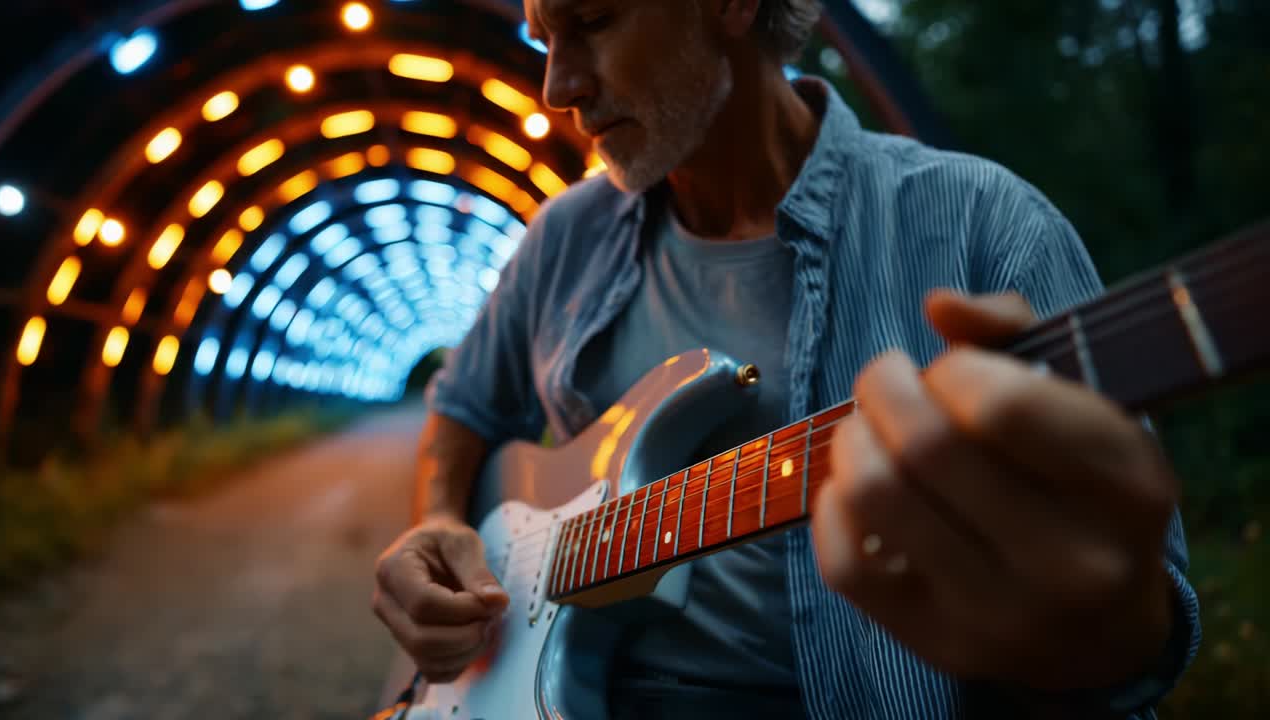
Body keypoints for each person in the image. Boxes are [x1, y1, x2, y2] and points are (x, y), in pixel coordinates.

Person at [371, 0, 1200, 717]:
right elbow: (464, 405)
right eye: (545, 35)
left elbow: (1139, 629)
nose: (558, 87)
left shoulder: (989, 226)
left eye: (592, 21)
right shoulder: (565, 235)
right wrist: (439, 521)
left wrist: (1102, 634)